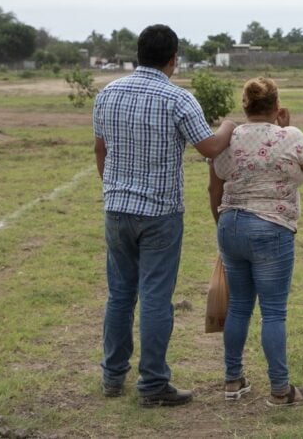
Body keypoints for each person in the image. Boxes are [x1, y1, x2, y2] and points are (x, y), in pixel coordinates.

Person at [93, 24, 236, 407]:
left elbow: (100, 149)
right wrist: (228, 125)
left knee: (120, 294)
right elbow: (208, 148)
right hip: (160, 213)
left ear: (137, 54)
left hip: (117, 208)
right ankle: (153, 383)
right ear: (174, 59)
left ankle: (112, 375)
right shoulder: (178, 99)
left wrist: (113, 188)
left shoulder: (107, 94)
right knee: (156, 297)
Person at [208, 77, 303, 407]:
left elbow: (215, 184)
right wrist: (288, 128)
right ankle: (280, 389)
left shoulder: (228, 138)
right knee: (273, 312)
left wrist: (222, 226)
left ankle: (233, 380)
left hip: (231, 223)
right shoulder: (290, 136)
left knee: (240, 306)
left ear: (245, 106)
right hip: (272, 225)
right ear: (277, 106)